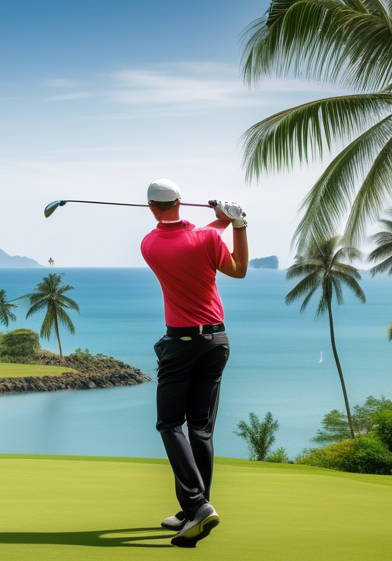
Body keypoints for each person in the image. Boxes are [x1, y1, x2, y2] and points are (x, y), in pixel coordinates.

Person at [139, 178, 248, 548]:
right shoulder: (208, 238)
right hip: (217, 342)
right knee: (200, 427)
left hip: (181, 343)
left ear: (152, 207)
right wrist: (236, 223)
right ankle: (191, 512)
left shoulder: (149, 246)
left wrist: (221, 222)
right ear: (181, 203)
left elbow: (189, 239)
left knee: (170, 423)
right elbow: (238, 269)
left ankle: (198, 506)